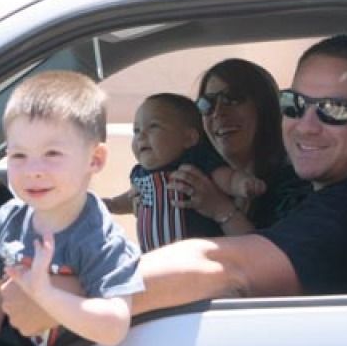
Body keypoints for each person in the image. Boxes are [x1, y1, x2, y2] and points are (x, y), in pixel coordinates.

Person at [1, 35, 347, 336]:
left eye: (334, 109)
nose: (306, 125)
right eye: (295, 104)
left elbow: (226, 265)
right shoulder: (308, 187)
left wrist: (64, 294)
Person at [0, 70, 145, 346]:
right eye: (18, 156)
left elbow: (115, 326)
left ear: (95, 159)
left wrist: (45, 295)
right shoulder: (10, 219)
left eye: (52, 153)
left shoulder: (100, 239)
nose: (33, 170)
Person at [104, 93, 264, 251]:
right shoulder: (140, 173)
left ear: (189, 138)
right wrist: (112, 205)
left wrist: (242, 184)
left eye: (153, 126)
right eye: (137, 130)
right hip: (154, 258)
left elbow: (226, 178)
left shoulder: (195, 163)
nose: (141, 136)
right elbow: (131, 198)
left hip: (201, 258)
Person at [169, 58, 310, 235]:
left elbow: (274, 259)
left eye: (233, 99)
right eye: (207, 103)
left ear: (264, 107)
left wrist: (221, 210)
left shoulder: (295, 189)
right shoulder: (200, 177)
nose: (219, 112)